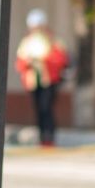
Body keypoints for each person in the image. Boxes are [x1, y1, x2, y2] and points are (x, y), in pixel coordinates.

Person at [15, 8, 70, 146]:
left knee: (47, 109)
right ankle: (42, 138)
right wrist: (29, 62)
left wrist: (43, 61)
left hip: (49, 81)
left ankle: (49, 137)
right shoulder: (26, 42)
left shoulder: (53, 41)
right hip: (33, 81)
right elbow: (20, 62)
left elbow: (61, 59)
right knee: (39, 110)